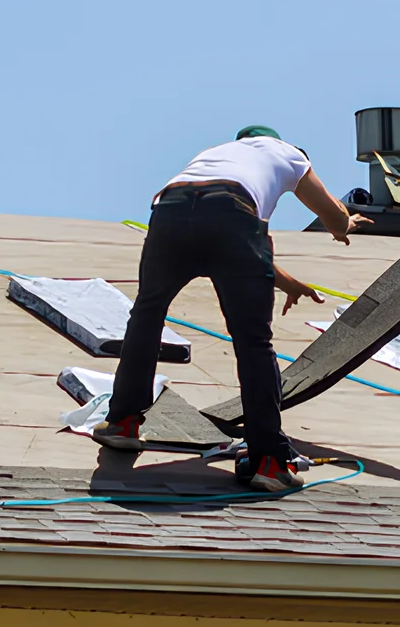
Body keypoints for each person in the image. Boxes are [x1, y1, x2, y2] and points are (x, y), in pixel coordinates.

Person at [96, 125, 370, 492]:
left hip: (171, 209)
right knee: (253, 341)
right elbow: (324, 216)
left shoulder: (215, 155)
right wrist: (344, 224)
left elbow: (225, 236)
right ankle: (269, 461)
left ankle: (123, 423)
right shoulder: (288, 153)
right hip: (233, 211)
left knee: (147, 314)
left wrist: (287, 282)